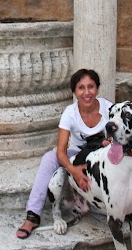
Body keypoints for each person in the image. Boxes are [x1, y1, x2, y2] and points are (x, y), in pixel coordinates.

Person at [16, 68, 113, 239]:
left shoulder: (109, 109)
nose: (87, 92)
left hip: (102, 155)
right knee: (49, 157)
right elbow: (61, 151)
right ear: (75, 91)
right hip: (77, 154)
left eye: (91, 87)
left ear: (97, 89)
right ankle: (33, 215)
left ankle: (129, 212)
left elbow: (120, 137)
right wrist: (72, 169)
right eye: (81, 88)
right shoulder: (70, 112)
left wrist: (111, 141)